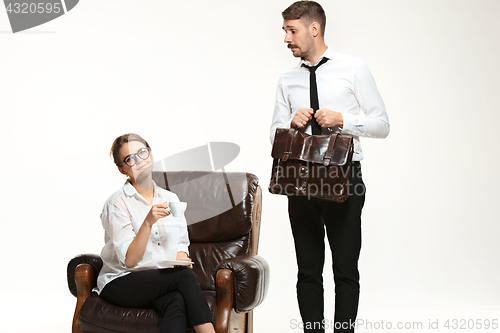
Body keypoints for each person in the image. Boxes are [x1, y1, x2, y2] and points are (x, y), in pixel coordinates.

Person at [270, 1, 390, 332]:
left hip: (344, 178)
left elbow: (382, 124)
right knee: (307, 269)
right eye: (284, 31)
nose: (286, 39)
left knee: (345, 269)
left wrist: (344, 120)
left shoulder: (353, 68)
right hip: (300, 179)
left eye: (291, 31)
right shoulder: (286, 79)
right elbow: (273, 136)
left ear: (314, 28)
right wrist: (290, 127)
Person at [94, 133, 215, 333]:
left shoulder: (170, 197)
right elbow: (130, 261)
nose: (139, 160)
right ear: (122, 169)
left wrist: (181, 256)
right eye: (130, 158)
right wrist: (148, 222)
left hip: (157, 280)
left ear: (150, 154)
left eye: (142, 152)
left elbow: (181, 243)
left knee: (175, 300)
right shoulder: (117, 203)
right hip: (120, 281)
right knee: (183, 278)